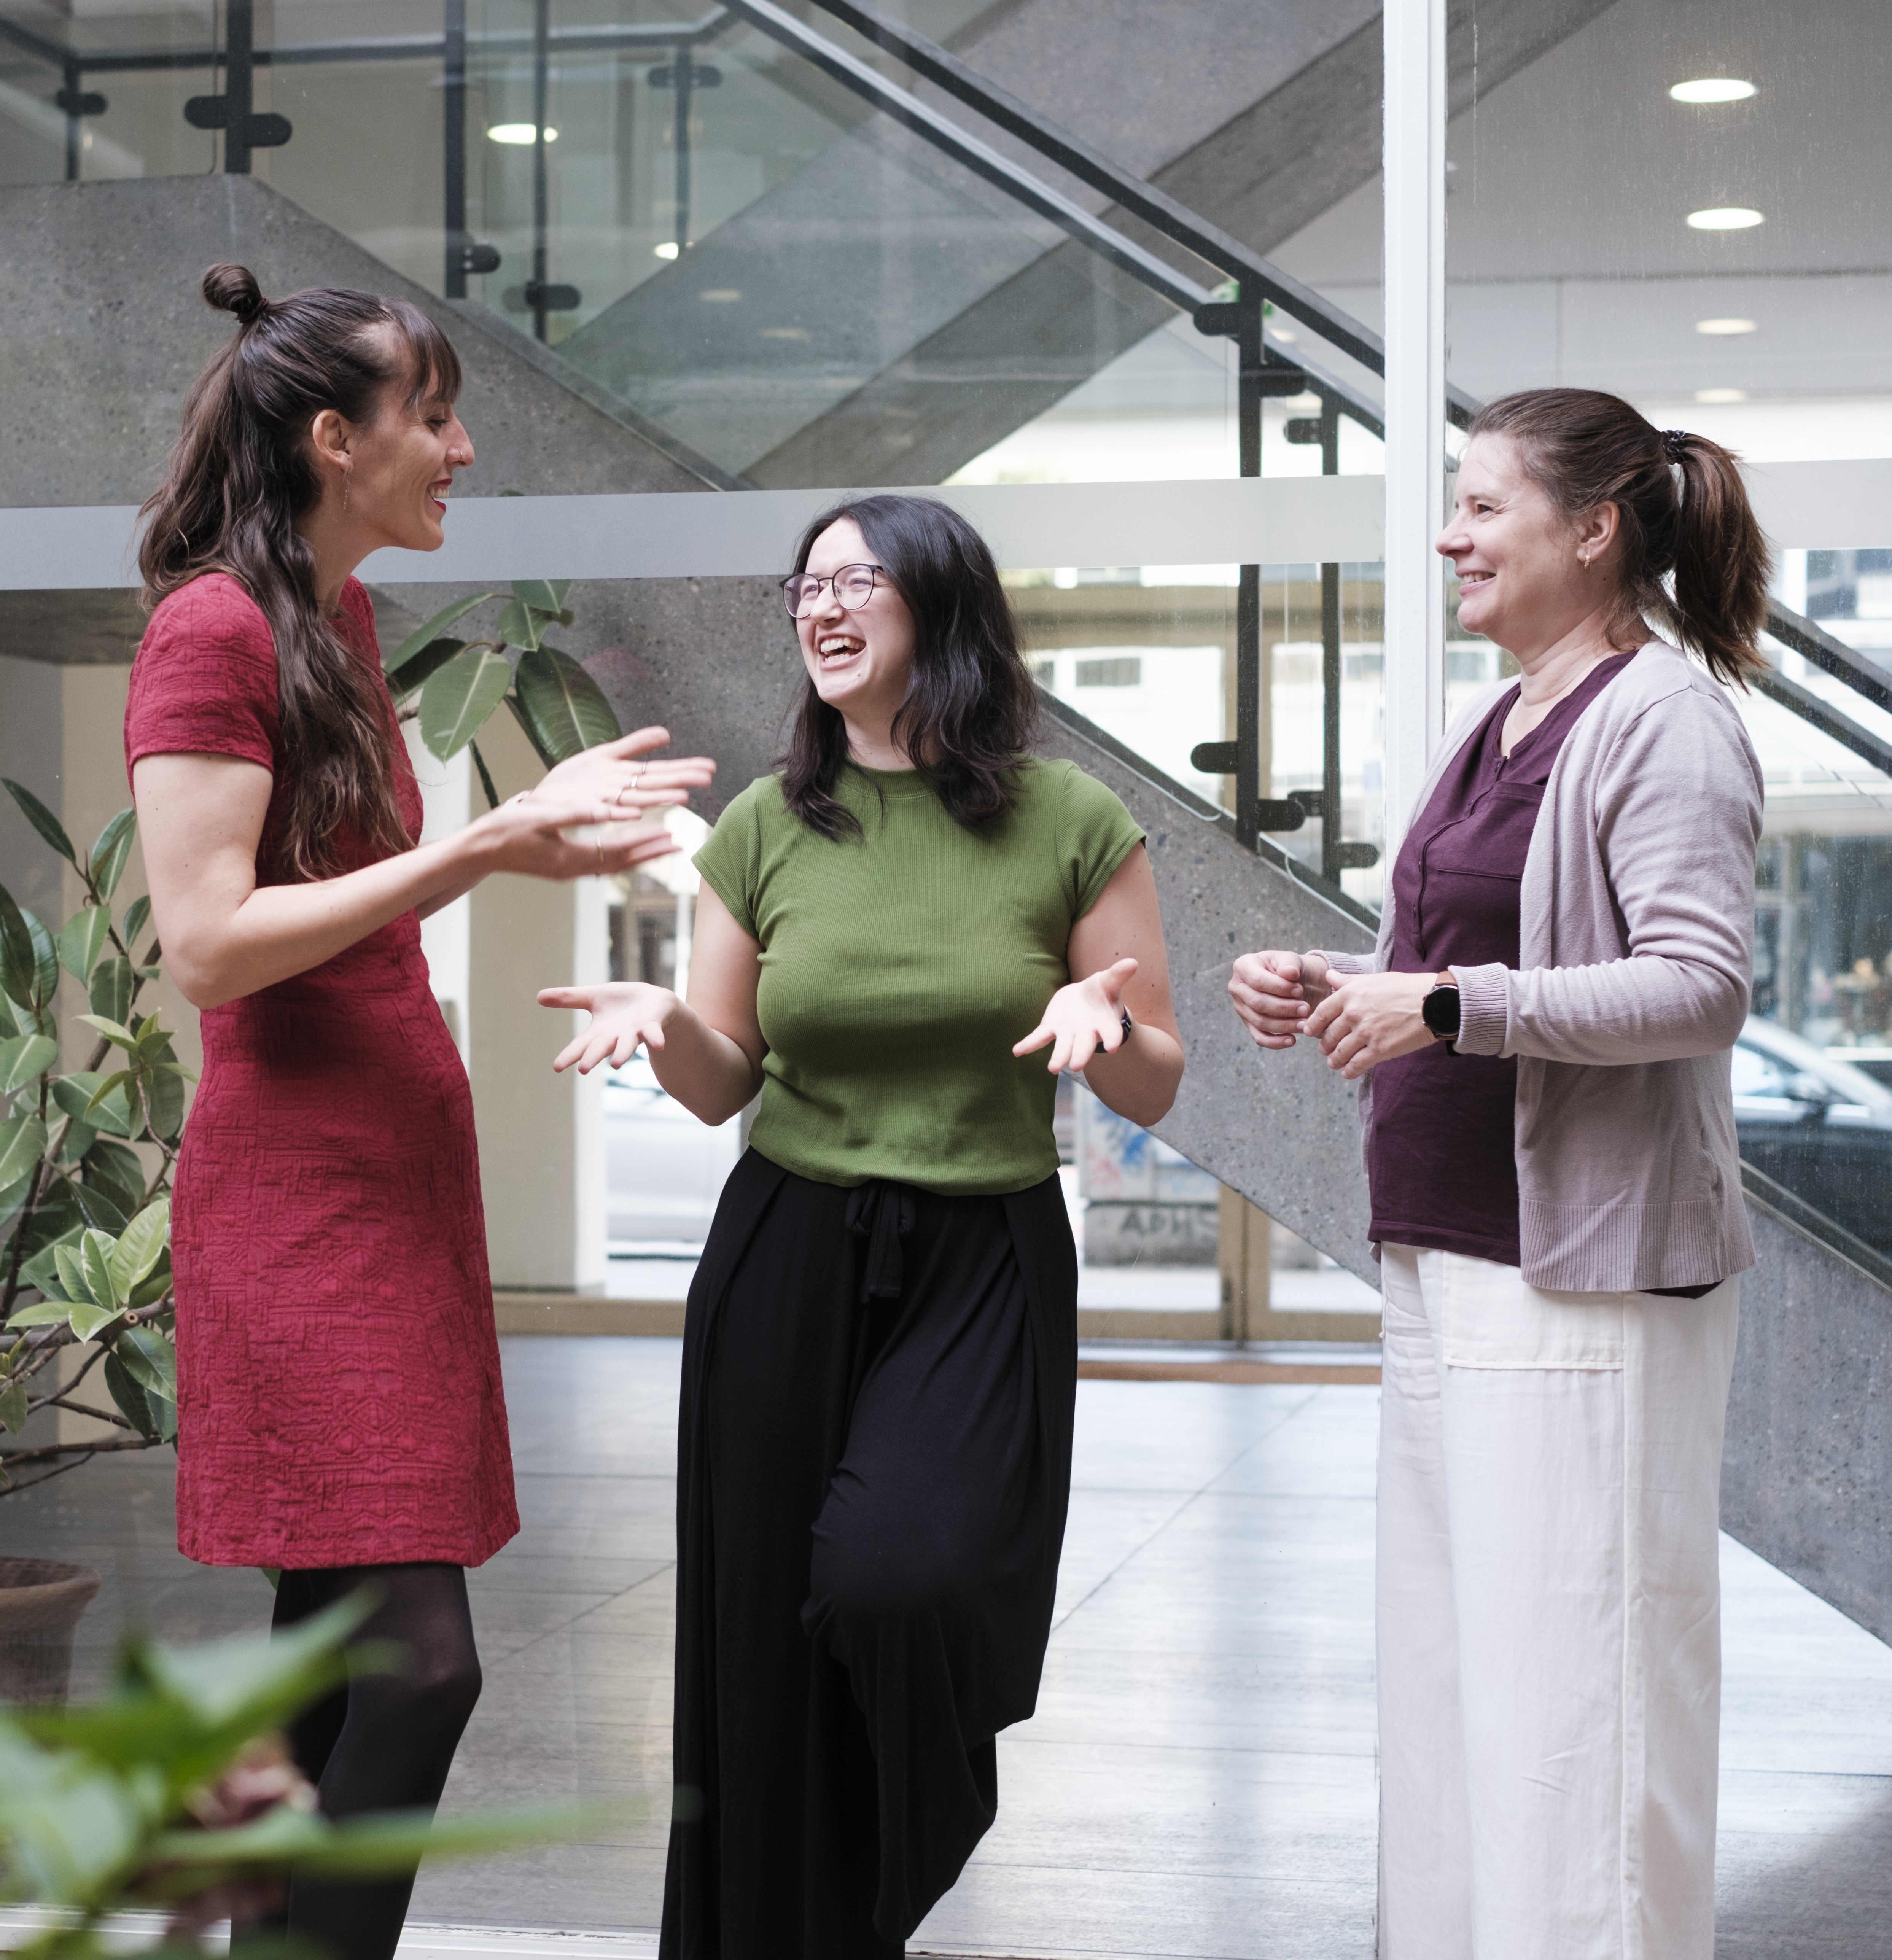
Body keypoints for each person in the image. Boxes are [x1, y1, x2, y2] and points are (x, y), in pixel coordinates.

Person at [125, 263, 713, 1960]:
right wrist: (484, 841)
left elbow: (348, 902)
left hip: (387, 1190)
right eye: (432, 416)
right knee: (419, 1662)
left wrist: (506, 851)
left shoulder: (336, 617)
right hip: (300, 1211)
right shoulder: (214, 629)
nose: (458, 450)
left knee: (333, 1661)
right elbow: (210, 948)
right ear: (333, 436)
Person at [540, 493, 1185, 1958]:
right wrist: (664, 1025)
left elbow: (1158, 1066)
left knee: (908, 1580)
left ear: (941, 607)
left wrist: (1108, 1017)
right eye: (805, 588)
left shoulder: (1070, 820)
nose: (821, 610)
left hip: (984, 1257)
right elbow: (725, 1085)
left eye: (857, 583)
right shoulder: (766, 827)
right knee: (762, 1655)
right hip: (787, 1250)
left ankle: (873, 1894)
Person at [1228, 388, 1768, 1959]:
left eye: (1478, 507)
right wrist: (1341, 980)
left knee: (1574, 1708)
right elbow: (1456, 962)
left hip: (1579, 1282)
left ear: (1590, 531)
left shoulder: (1661, 716)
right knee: (1460, 1687)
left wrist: (1445, 1005)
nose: (1449, 536)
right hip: (1446, 1256)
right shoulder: (1502, 716)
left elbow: (1697, 984)